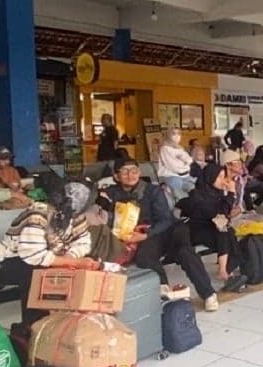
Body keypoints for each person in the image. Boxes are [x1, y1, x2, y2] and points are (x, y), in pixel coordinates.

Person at [102, 158, 223, 308]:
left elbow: (165, 220)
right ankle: (164, 289)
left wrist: (145, 235)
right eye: (124, 172)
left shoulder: (152, 191)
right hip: (146, 237)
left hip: (170, 231)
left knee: (185, 253)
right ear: (116, 176)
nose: (130, 175)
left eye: (134, 171)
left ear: (139, 172)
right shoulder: (111, 194)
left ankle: (208, 294)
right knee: (144, 258)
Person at [0, 182, 98, 326]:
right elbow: (34, 256)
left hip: (49, 258)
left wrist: (70, 258)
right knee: (36, 274)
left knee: (88, 264)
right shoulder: (38, 214)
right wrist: (72, 263)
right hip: (10, 263)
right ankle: (33, 327)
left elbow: (83, 241)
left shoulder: (76, 215)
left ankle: (68, 320)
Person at [180, 164, 243, 286]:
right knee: (223, 231)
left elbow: (224, 216)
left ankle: (227, 268)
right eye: (219, 177)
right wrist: (230, 194)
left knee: (228, 231)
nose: (223, 180)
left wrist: (229, 195)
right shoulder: (198, 194)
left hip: (211, 226)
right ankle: (224, 271)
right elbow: (218, 214)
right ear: (210, 177)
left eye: (224, 177)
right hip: (195, 230)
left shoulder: (217, 193)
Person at [156, 128, 195, 200]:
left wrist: (184, 161)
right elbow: (174, 166)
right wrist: (185, 162)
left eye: (179, 134)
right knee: (180, 196)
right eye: (174, 134)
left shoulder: (180, 148)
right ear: (169, 135)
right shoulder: (165, 148)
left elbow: (190, 160)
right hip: (171, 176)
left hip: (185, 176)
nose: (177, 136)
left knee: (195, 190)